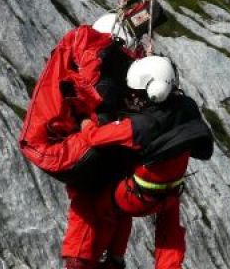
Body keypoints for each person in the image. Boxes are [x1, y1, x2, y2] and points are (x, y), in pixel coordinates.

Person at [18, 0, 171, 269]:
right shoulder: (95, 50)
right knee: (108, 180)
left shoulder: (85, 53)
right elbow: (98, 94)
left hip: (57, 145)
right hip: (55, 147)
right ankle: (100, 260)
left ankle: (102, 258)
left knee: (100, 191)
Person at [86, 56, 214, 269]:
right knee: (169, 233)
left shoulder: (141, 126)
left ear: (151, 93)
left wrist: (85, 124)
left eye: (137, 94)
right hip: (171, 194)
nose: (133, 98)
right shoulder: (187, 107)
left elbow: (94, 138)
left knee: (103, 209)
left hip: (134, 197)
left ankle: (106, 260)